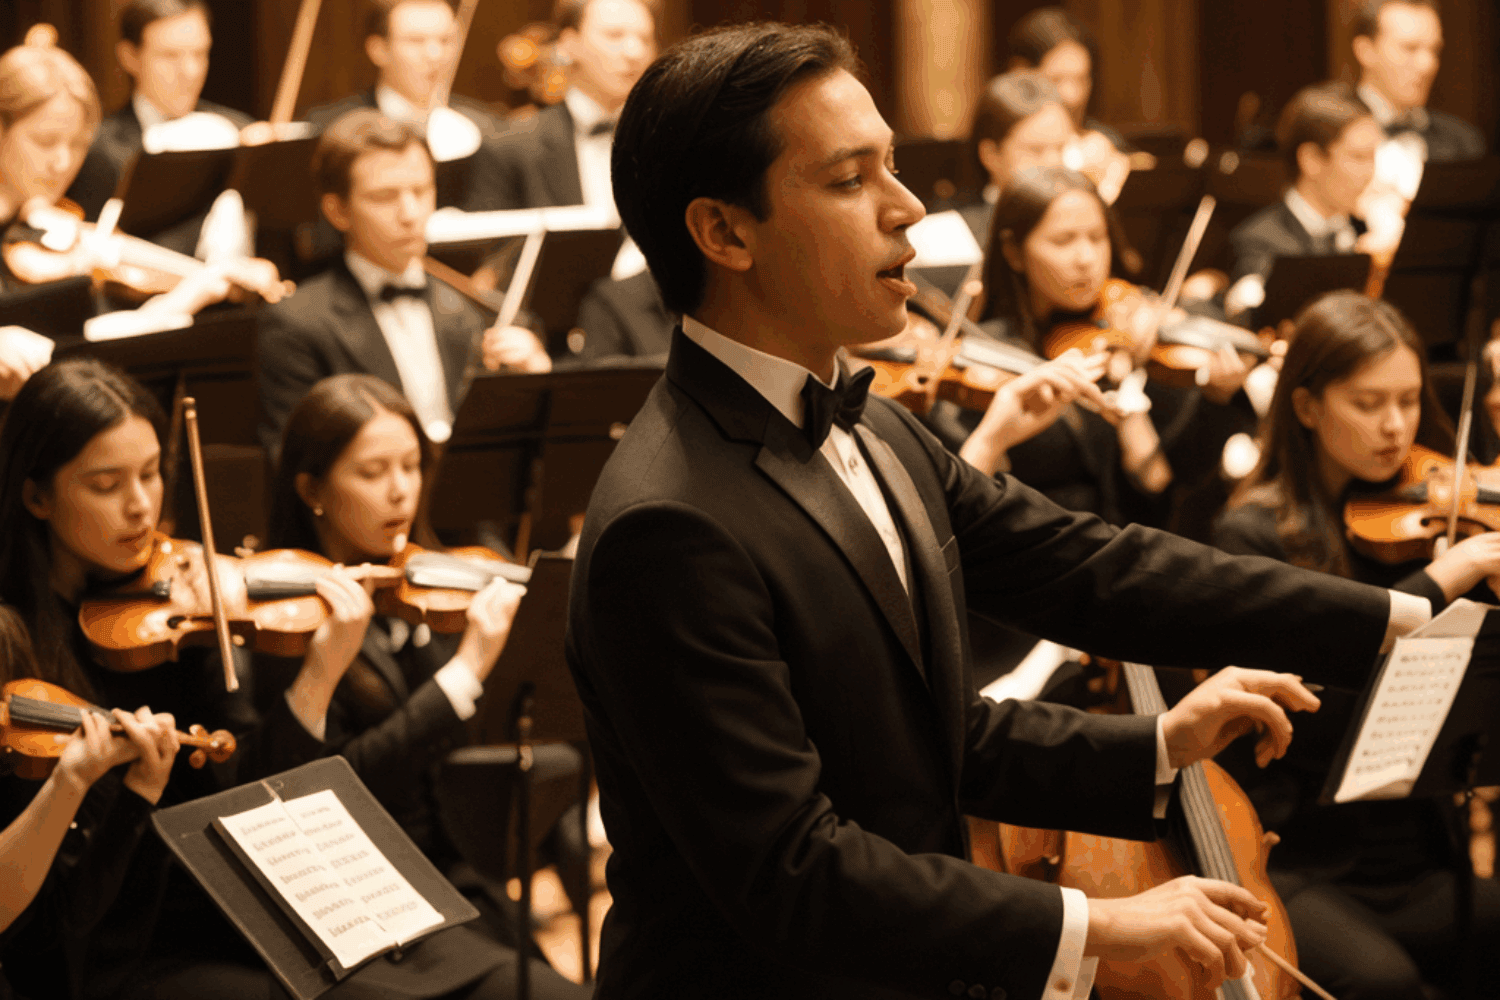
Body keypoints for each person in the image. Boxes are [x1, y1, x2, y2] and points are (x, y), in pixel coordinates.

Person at [570, 22, 1435, 1000]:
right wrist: (1100, 924)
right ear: (724, 232)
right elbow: (791, 873)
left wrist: (1395, 618)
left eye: (893, 167)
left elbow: (1089, 573)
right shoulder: (669, 525)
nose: (907, 210)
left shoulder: (881, 429)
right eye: (852, 180)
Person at [259, 373, 594, 1000]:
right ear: (311, 490)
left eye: (412, 466)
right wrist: (461, 673)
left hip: (454, 873)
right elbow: (333, 792)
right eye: (372, 472)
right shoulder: (286, 622)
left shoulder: (421, 587)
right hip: (361, 898)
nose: (400, 492)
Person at [1213, 290, 1500, 1000]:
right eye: (1368, 404)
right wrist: (1441, 580)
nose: (1397, 427)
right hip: (1299, 856)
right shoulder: (1252, 537)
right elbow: (1301, 719)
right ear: (1307, 407)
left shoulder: (1437, 518)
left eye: (1408, 401)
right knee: (1385, 983)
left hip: (1423, 846)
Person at [257, 110, 549, 460]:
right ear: (338, 211)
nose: (410, 213)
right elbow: (296, 468)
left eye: (422, 190)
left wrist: (537, 379)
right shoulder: (296, 326)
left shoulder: (478, 311)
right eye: (385, 197)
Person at [0, 39, 270, 332]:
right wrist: (191, 293)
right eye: (45, 141)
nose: (63, 162)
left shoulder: (40, 221)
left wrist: (215, 273)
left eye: (78, 144)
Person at [63, 0, 254, 257]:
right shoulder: (98, 150)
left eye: (199, 53)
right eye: (170, 56)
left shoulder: (240, 129)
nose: (190, 71)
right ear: (130, 57)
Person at [303, 0, 510, 211]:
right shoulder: (330, 128)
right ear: (379, 49)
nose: (435, 55)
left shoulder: (487, 129)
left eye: (446, 40)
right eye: (416, 41)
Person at [1223, 82, 1386, 321]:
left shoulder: (1367, 232)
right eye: (1358, 157)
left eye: (1373, 157)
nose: (1370, 172)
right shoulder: (1258, 242)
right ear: (1311, 159)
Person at [489, 0, 658, 213]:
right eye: (614, 35)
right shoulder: (511, 148)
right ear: (569, 44)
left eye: (646, 39)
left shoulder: (668, 140)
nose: (635, 53)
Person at [1351, 0, 1484, 163]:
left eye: (1435, 50)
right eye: (1410, 48)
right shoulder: (1329, 132)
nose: (1427, 65)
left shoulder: (1462, 142)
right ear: (1365, 50)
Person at [960, 71, 1072, 246]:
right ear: (991, 155)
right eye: (1036, 150)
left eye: (1061, 148)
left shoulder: (1086, 223)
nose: (1054, 163)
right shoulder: (954, 237)